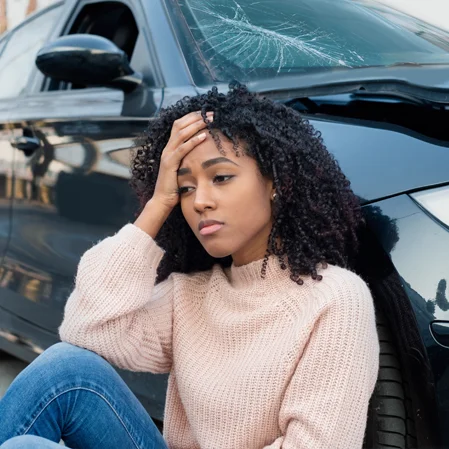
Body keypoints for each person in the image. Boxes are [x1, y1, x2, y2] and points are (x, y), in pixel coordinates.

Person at [0, 83, 379, 449]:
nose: (200, 201)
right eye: (185, 188)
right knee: (64, 368)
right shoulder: (191, 294)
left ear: (275, 182)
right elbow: (87, 329)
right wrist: (157, 205)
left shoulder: (335, 301)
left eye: (221, 177)